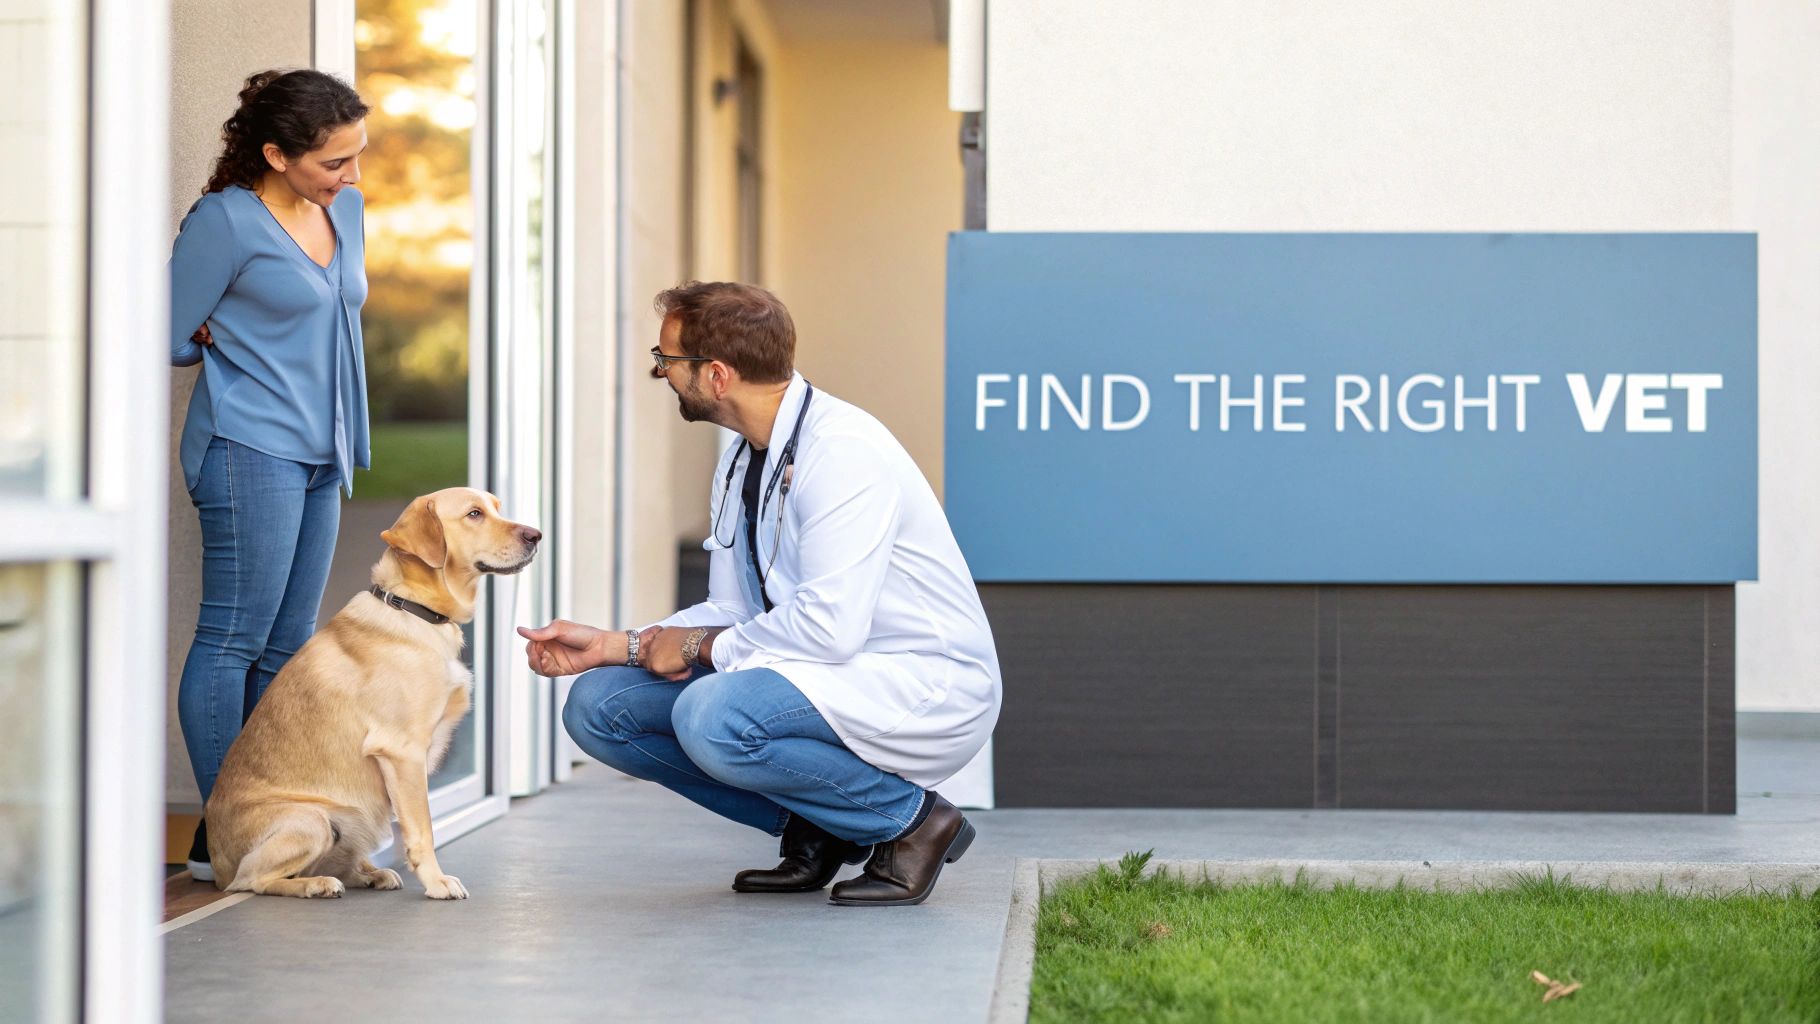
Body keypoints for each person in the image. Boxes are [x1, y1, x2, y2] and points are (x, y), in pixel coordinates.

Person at [520, 282, 1001, 906]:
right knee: (599, 707)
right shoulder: (744, 457)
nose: (659, 373)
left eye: (666, 361)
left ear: (716, 375)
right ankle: (822, 827)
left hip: (918, 679)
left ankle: (913, 823)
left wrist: (692, 645)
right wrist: (619, 646)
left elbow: (830, 630)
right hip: (817, 670)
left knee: (713, 715)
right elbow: (733, 610)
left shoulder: (843, 453)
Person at [169, 69, 372, 881]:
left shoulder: (345, 211)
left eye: (357, 157)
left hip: (321, 449)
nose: (350, 176)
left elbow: (335, 310)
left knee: (287, 647)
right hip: (246, 446)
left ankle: (258, 817)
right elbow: (161, 329)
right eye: (333, 162)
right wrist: (210, 340)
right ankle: (232, 834)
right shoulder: (224, 222)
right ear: (276, 154)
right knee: (232, 640)